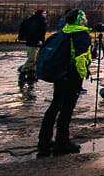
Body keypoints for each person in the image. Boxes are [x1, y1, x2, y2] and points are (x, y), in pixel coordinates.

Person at [38, 10, 92, 155]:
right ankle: (62, 142)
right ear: (79, 20)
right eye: (84, 17)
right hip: (71, 76)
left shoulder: (62, 33)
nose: (86, 19)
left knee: (55, 105)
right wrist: (83, 74)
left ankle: (44, 139)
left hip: (59, 75)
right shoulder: (80, 35)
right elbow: (81, 59)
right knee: (66, 109)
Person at [17, 8, 47, 88]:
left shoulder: (40, 21)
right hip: (33, 43)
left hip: (37, 43)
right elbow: (32, 32)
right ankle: (23, 73)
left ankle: (31, 74)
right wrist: (37, 40)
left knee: (36, 59)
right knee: (31, 59)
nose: (45, 15)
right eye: (44, 13)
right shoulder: (36, 21)